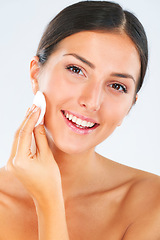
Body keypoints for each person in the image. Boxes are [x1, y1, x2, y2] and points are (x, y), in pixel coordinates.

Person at [0, 1, 160, 239]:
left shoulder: (151, 201)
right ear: (36, 73)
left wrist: (49, 202)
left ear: (130, 105)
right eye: (76, 70)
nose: (92, 101)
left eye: (117, 86)